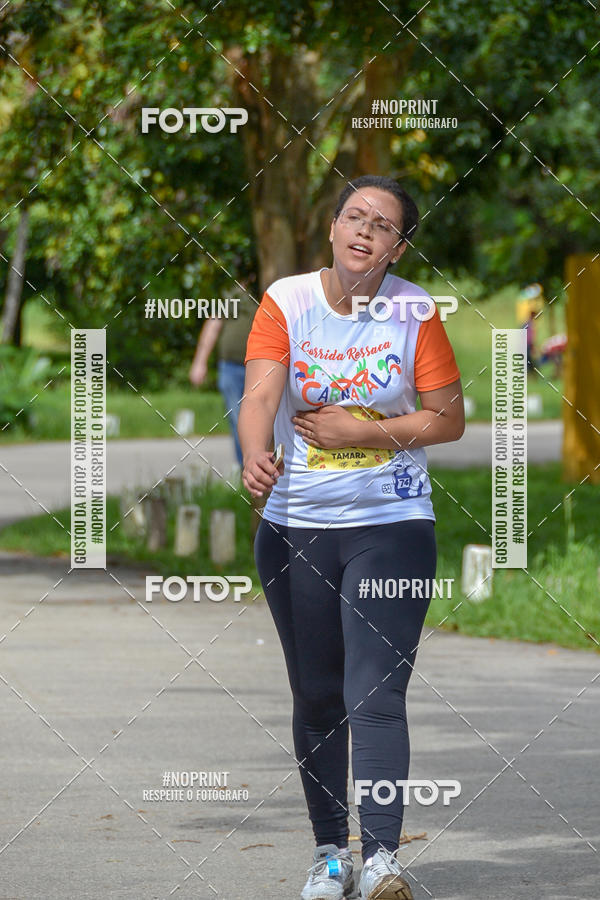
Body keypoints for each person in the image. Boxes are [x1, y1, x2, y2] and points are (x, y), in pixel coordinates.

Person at [238, 175, 464, 900]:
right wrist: (253, 452)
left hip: (392, 526)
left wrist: (365, 430)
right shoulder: (288, 301)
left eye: (384, 225)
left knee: (376, 693)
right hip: (296, 529)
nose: (366, 231)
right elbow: (262, 395)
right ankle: (331, 854)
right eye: (355, 217)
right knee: (317, 695)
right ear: (333, 229)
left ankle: (383, 861)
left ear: (399, 246)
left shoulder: (414, 312)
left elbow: (447, 418)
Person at [189, 289, 256, 468]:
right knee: (237, 419)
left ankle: (262, 470)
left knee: (260, 420)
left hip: (260, 368)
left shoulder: (269, 287)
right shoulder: (231, 294)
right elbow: (213, 325)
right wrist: (199, 362)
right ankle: (243, 467)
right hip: (231, 368)